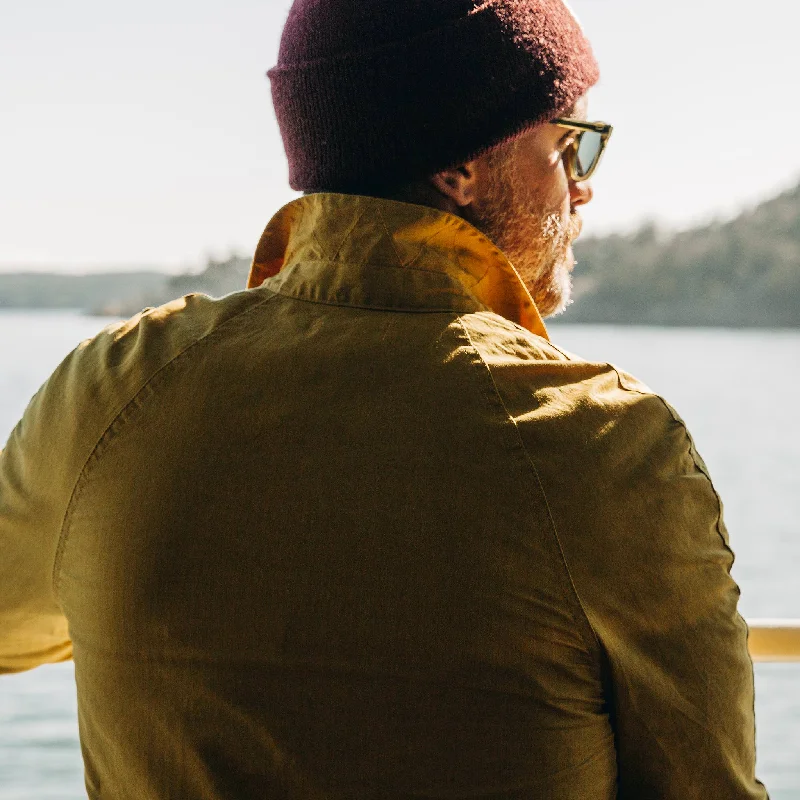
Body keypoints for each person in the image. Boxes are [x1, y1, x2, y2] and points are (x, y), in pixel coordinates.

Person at [0, 0, 769, 797]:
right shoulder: (603, 447)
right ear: (462, 165)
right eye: (570, 147)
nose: (581, 193)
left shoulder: (109, 395)